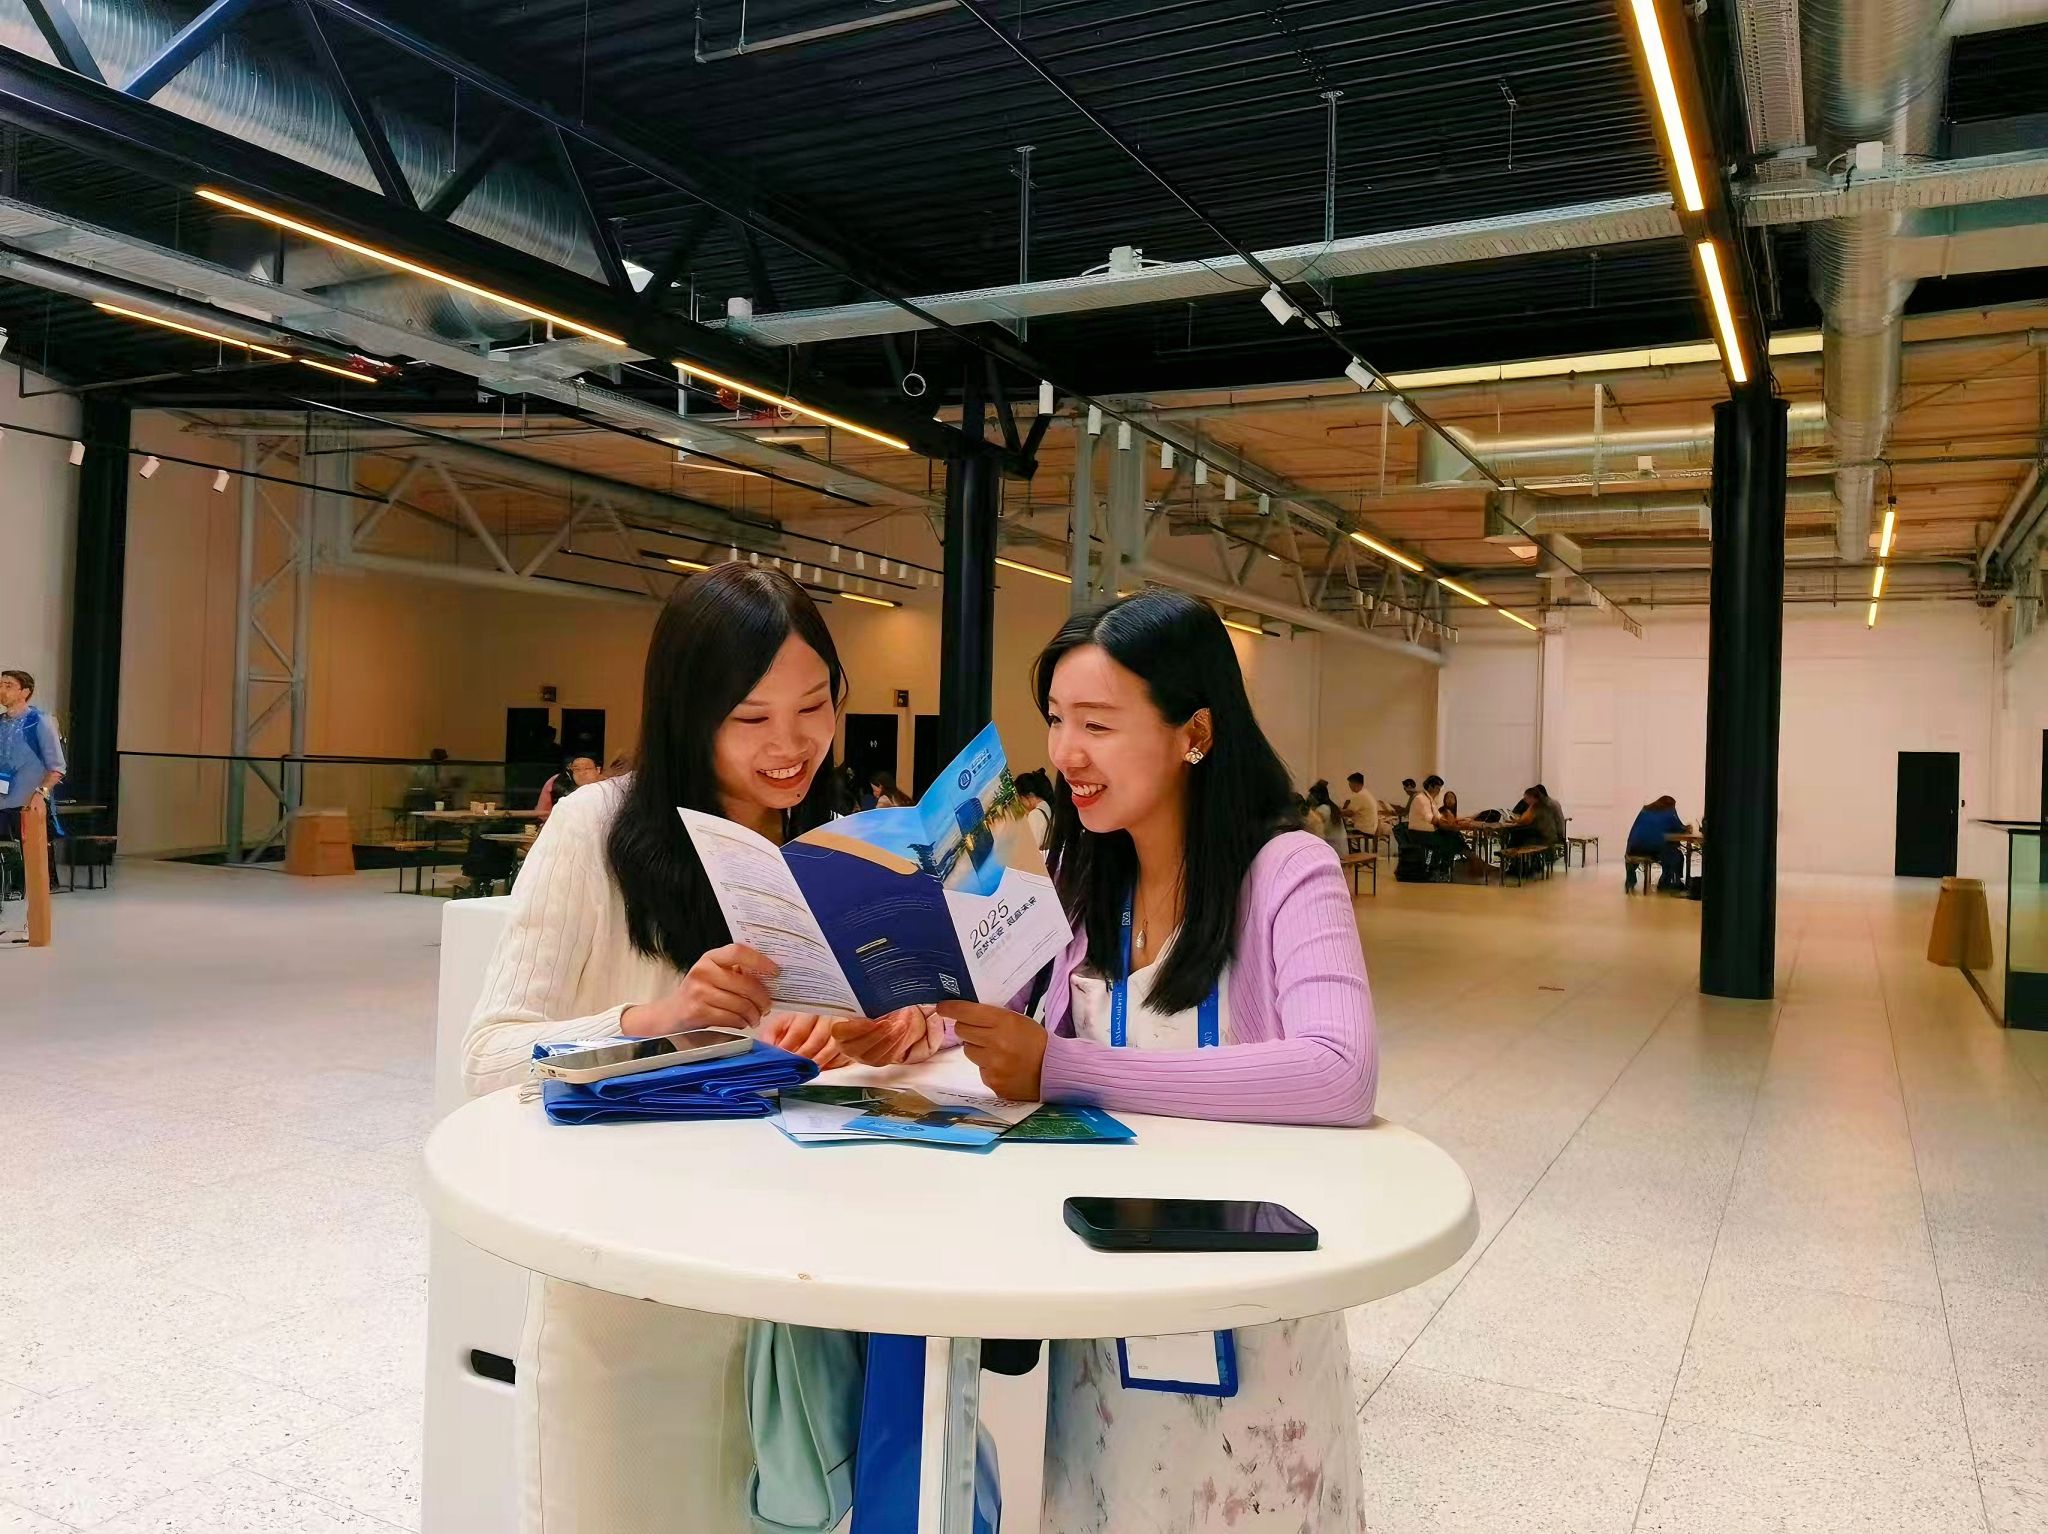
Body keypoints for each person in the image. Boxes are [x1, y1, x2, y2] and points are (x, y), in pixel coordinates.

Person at [835, 588, 1377, 1533]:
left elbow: (1338, 1072)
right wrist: (921, 1022)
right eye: (1055, 720)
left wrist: (1065, 1069)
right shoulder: (1084, 876)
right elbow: (1006, 1013)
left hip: (1249, 1322)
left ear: (1194, 732)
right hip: (1102, 1319)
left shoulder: (1288, 870)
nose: (1066, 753)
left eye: (1097, 723)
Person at [463, 564, 926, 1534]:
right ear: (686, 712)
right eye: (750, 718)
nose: (790, 745)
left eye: (814, 707)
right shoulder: (596, 830)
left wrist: (882, 1040)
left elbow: (828, 1079)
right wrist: (654, 1018)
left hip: (788, 1317)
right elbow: (490, 1058)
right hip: (629, 1315)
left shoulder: (841, 852)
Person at [0, 669, 65, 894]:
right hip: (2, 798)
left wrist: (41, 793)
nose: (2, 690)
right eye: (0, 685)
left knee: (31, 866)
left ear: (25, 692)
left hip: (27, 802)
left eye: (8, 685)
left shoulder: (39, 721)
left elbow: (57, 767)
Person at [1627, 794, 1690, 891]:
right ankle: (1667, 883)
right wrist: (1687, 828)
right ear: (1671, 806)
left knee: (1667, 851)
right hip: (1653, 849)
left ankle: (1630, 882)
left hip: (1633, 849)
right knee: (1676, 855)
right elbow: (1679, 829)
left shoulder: (1645, 811)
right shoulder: (1669, 813)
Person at [535, 754, 600, 819]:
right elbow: (542, 813)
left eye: (587, 768)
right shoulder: (555, 781)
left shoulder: (603, 786)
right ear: (570, 768)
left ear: (598, 770)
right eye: (577, 769)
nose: (582, 773)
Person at [1306, 778, 1348, 857]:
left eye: (1311, 795)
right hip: (1341, 847)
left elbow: (1313, 828)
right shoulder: (1333, 807)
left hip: (1332, 848)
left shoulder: (1322, 809)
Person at [1014, 768, 1055, 849]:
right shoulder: (1046, 805)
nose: (1022, 804)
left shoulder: (1035, 815)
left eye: (1021, 799)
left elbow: (1033, 848)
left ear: (1029, 795)